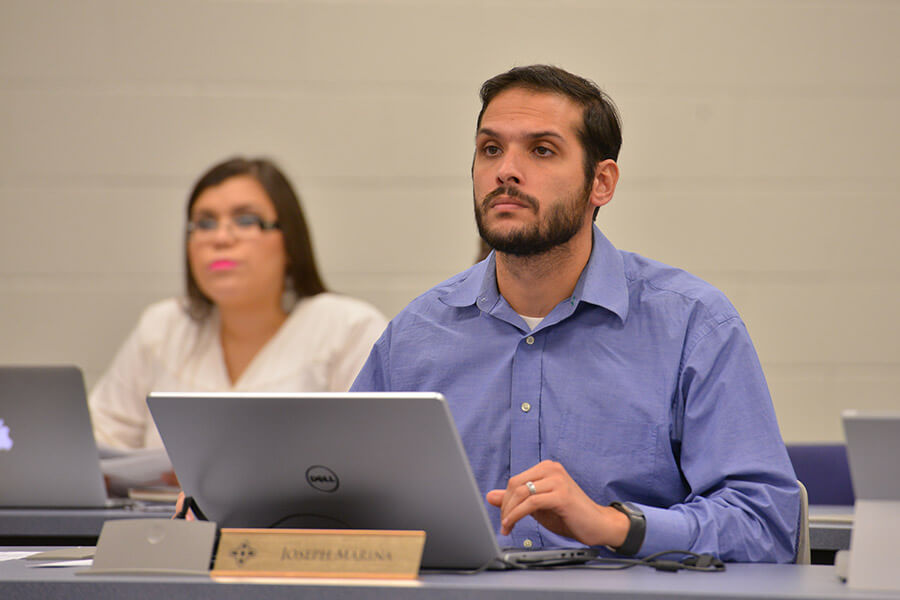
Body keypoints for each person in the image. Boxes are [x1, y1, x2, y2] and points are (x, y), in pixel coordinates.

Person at [351, 66, 800, 563]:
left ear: (601, 182)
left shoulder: (692, 326)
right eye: (490, 149)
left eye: (541, 150)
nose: (506, 171)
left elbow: (765, 526)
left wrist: (613, 524)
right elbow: (339, 501)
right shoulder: (417, 336)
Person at [90, 157, 387, 451]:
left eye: (246, 220)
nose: (220, 238)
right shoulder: (162, 327)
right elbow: (98, 444)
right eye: (205, 223)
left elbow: (374, 456)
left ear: (290, 241)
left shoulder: (348, 328)